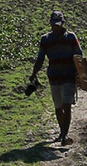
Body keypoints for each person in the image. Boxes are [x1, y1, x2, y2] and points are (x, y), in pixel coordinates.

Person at [29, 11, 83, 146]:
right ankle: (62, 132)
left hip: (69, 77)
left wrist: (81, 75)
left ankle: (64, 135)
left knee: (67, 105)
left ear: (63, 23)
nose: (55, 27)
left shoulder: (71, 37)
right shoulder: (45, 39)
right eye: (53, 25)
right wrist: (34, 73)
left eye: (58, 24)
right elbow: (40, 58)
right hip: (54, 77)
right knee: (58, 107)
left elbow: (79, 56)